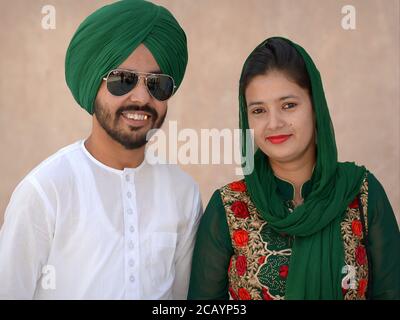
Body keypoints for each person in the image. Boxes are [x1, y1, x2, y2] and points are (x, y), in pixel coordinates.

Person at [0, 0, 202, 299]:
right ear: (93, 84)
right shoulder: (45, 191)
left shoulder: (183, 192)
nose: (141, 98)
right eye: (123, 80)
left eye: (157, 84)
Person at [188, 37, 399, 300]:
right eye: (258, 110)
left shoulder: (361, 193)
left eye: (288, 105)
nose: (274, 123)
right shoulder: (230, 207)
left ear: (315, 106)